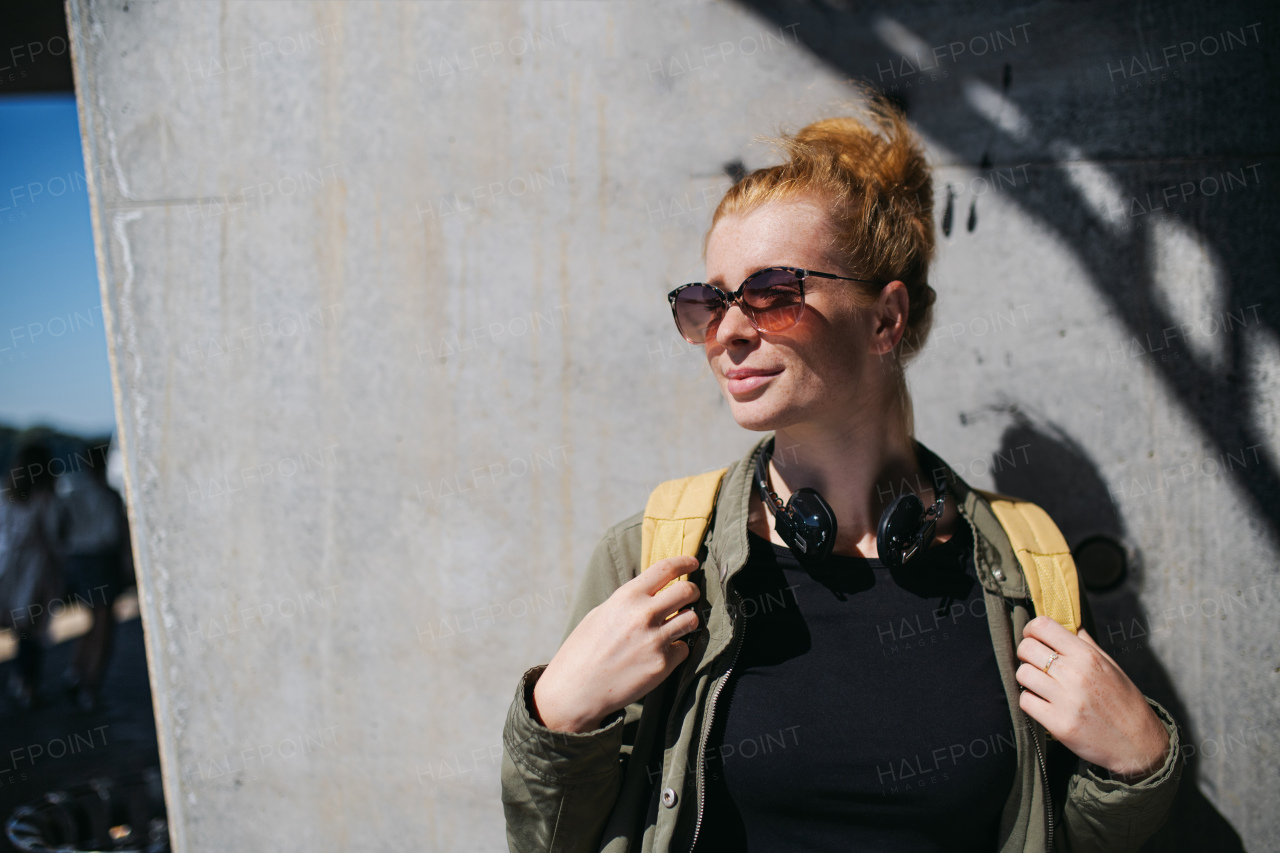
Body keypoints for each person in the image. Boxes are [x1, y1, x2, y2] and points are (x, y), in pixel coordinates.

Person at [501, 99, 1180, 852]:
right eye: (710, 301)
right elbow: (553, 842)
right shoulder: (656, 560)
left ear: (886, 320)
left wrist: (1138, 766)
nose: (727, 331)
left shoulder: (1022, 563)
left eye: (772, 294)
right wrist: (556, 719)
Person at [56, 443, 127, 711]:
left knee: (92, 621)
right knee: (104, 625)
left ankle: (76, 673)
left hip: (79, 560)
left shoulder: (71, 491)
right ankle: (90, 685)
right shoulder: (109, 495)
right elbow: (117, 534)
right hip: (101, 559)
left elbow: (60, 529)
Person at [0, 442, 65, 710]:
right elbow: (52, 536)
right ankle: (27, 685)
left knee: (19, 629)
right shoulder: (45, 497)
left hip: (9, 566)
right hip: (36, 569)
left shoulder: (7, 494)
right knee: (32, 631)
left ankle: (19, 682)